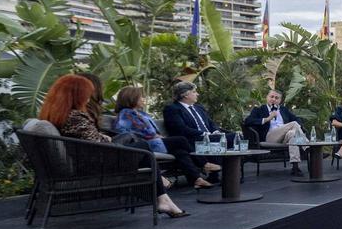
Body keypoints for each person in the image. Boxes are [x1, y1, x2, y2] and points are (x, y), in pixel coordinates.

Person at [40, 74, 187, 217]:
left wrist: (102, 137)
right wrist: (106, 139)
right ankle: (162, 195)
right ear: (76, 95)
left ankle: (162, 197)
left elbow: (87, 139)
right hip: (92, 164)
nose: (88, 97)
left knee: (139, 146)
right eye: (86, 93)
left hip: (84, 158)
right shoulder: (75, 117)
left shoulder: (60, 113)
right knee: (143, 147)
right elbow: (95, 144)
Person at [114, 85, 213, 188]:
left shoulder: (140, 113)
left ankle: (197, 179)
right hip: (144, 145)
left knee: (180, 152)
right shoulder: (126, 113)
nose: (144, 99)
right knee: (181, 140)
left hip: (154, 142)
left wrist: (158, 136)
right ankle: (204, 164)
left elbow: (150, 131)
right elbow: (140, 132)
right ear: (132, 98)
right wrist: (157, 136)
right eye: (141, 97)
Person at [244, 89, 306, 175]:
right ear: (267, 97)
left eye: (277, 98)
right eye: (271, 97)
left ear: (280, 100)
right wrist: (267, 119)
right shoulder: (259, 110)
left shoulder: (284, 110)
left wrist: (296, 128)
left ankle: (295, 167)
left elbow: (297, 119)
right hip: (270, 137)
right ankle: (307, 147)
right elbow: (248, 121)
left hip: (284, 137)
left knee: (293, 135)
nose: (273, 99)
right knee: (293, 124)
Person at [163, 81, 227, 158]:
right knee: (229, 139)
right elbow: (181, 128)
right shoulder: (172, 109)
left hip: (211, 137)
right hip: (195, 140)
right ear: (185, 94)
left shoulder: (199, 108)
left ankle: (233, 167)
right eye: (194, 92)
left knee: (237, 137)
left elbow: (211, 123)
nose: (197, 94)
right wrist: (204, 134)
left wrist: (215, 131)